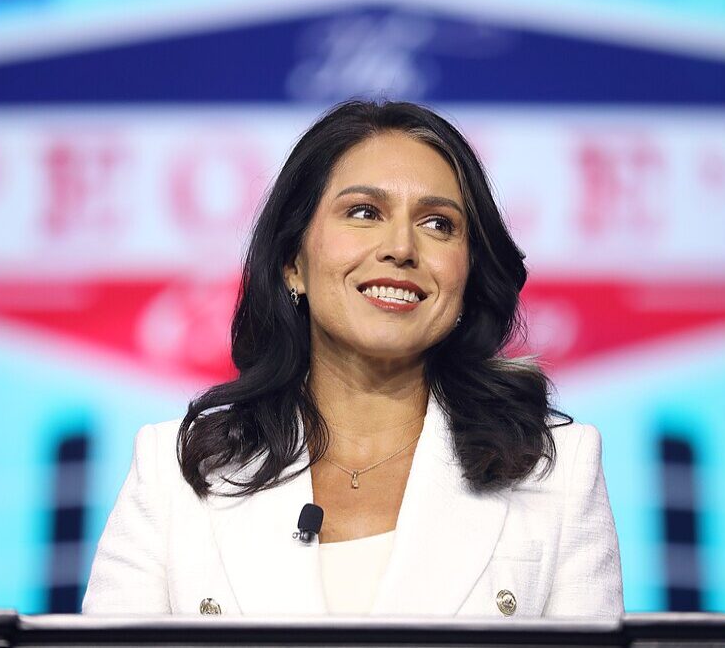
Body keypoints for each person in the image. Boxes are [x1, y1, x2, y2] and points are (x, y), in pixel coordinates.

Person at [82, 99, 623, 618]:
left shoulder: (557, 472)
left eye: (439, 224)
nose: (402, 248)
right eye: (364, 212)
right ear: (293, 262)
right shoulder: (174, 473)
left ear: (468, 274)